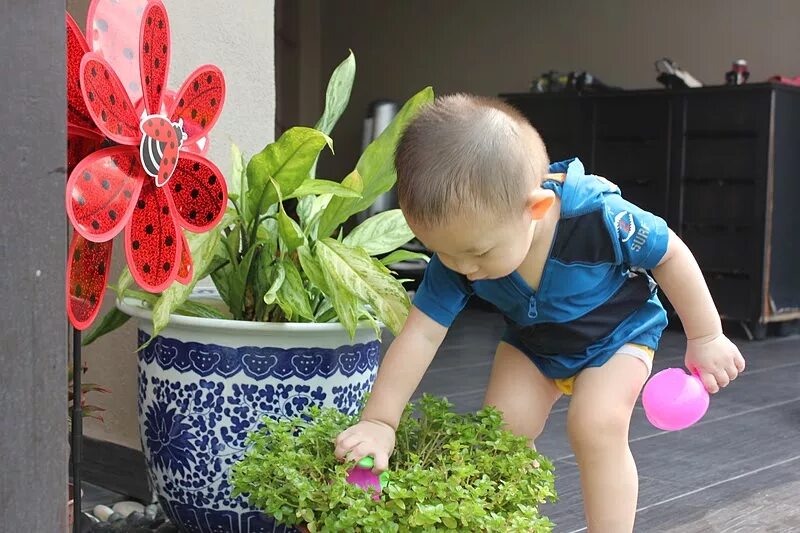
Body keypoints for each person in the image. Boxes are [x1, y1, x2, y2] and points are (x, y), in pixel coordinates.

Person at [334, 94, 746, 531]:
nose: (462, 268)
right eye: (442, 253)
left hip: (616, 337)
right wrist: (379, 421)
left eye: (477, 253)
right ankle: (515, 517)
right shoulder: (458, 254)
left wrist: (706, 337)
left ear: (536, 208)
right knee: (499, 435)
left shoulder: (597, 215)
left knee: (595, 425)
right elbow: (419, 335)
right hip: (534, 344)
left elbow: (669, 255)